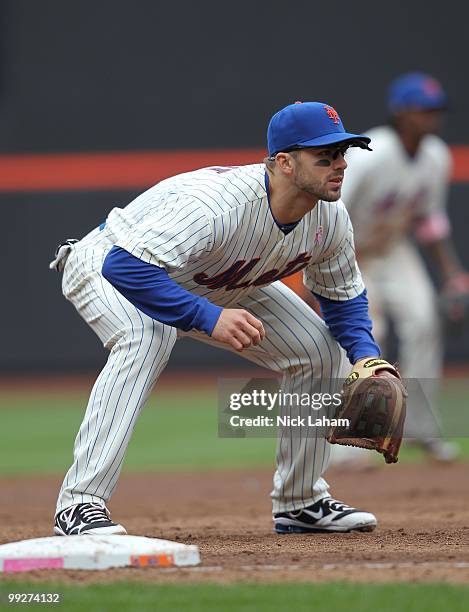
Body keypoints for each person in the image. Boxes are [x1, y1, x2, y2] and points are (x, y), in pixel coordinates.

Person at [50, 101, 394, 537]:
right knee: (146, 335)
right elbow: (126, 267)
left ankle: (300, 501)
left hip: (217, 277)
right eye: (324, 157)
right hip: (107, 261)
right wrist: (207, 316)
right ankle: (79, 504)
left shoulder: (330, 218)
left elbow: (341, 296)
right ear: (284, 163)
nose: (340, 165)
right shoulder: (217, 206)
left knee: (319, 349)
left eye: (343, 153)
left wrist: (367, 356)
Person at [341, 73, 469, 461]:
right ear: (400, 112)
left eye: (436, 110)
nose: (431, 117)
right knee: (368, 334)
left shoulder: (436, 156)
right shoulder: (371, 151)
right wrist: (331, 264)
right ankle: (351, 445)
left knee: (424, 320)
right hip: (351, 249)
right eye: (422, 109)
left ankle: (420, 430)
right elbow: (331, 208)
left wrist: (453, 274)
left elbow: (430, 222)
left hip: (394, 247)